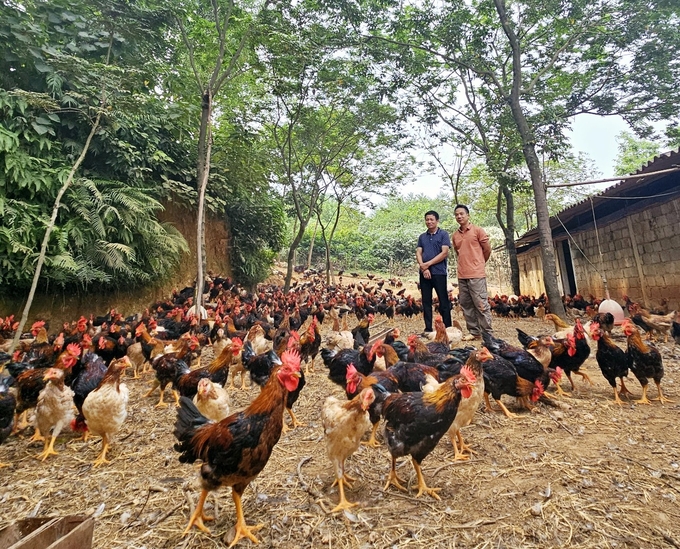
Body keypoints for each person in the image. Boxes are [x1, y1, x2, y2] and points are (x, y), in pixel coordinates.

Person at [452, 204, 493, 341]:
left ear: (468, 215)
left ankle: (487, 333)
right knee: (466, 305)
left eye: (462, 214)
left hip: (476, 274)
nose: (459, 216)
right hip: (462, 275)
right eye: (457, 214)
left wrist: (479, 263)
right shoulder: (455, 236)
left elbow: (487, 249)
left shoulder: (478, 231)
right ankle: (474, 332)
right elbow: (459, 253)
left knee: (481, 305)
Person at [416, 210, 453, 333]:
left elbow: (444, 253)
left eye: (432, 219)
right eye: (427, 219)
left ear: (437, 221)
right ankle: (428, 329)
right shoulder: (422, 237)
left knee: (443, 301)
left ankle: (447, 329)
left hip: (439, 272)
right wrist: (423, 267)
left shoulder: (443, 235)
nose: (429, 222)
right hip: (424, 273)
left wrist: (428, 264)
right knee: (426, 301)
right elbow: (418, 252)